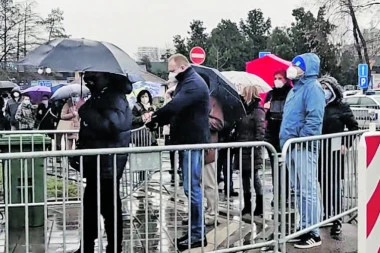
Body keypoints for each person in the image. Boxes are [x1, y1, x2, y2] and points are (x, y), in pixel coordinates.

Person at [146, 54, 210, 251]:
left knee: (193, 189)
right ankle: (195, 231)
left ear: (183, 67)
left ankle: (198, 234)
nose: (170, 74)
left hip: (192, 142)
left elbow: (175, 107)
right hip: (187, 140)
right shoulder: (187, 82)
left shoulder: (193, 84)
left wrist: (154, 117)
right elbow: (178, 110)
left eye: (172, 70)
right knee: (190, 188)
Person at [71, 72, 132, 253]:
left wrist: (85, 110)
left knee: (110, 209)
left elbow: (112, 126)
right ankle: (88, 246)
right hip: (96, 162)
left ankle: (113, 248)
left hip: (107, 164)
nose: (88, 80)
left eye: (92, 77)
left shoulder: (114, 97)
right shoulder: (103, 95)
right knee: (90, 206)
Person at [280, 53, 325, 249]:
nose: (293, 68)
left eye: (297, 66)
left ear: (307, 69)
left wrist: (300, 139)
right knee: (298, 191)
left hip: (303, 147)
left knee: (308, 190)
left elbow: (314, 119)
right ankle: (304, 227)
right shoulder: (295, 90)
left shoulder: (312, 88)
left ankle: (313, 232)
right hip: (291, 146)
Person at [318, 75, 358, 236]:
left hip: (335, 150)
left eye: (326, 88)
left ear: (333, 90)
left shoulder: (342, 107)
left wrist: (345, 144)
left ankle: (337, 219)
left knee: (334, 185)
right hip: (320, 150)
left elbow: (353, 127)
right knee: (323, 184)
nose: (324, 91)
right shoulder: (318, 105)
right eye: (322, 88)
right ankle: (327, 215)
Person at [234, 86, 265, 216]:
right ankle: (247, 205)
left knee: (255, 177)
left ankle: (259, 205)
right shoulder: (241, 110)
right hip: (241, 147)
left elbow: (260, 129)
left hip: (252, 148)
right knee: (244, 177)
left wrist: (257, 145)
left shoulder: (257, 111)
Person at [264, 70, 292, 207]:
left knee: (285, 167)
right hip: (272, 134)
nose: (276, 80)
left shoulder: (290, 93)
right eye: (275, 78)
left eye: (279, 78)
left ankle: (285, 194)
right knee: (276, 167)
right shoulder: (271, 94)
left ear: (286, 79)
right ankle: (277, 195)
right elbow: (267, 117)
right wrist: (266, 109)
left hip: (285, 134)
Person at [200, 73, 224, 226]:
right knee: (194, 184)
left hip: (208, 149)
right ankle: (196, 213)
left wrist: (202, 118)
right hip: (193, 147)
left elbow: (219, 123)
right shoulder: (192, 101)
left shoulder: (213, 102)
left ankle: (212, 213)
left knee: (209, 183)